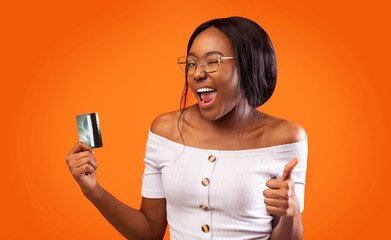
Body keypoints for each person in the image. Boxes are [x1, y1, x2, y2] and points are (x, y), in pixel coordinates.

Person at [66, 16, 308, 240]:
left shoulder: (285, 137)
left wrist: (292, 213)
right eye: (191, 63)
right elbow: (148, 233)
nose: (197, 73)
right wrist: (93, 190)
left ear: (249, 66)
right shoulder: (165, 130)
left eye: (212, 62)